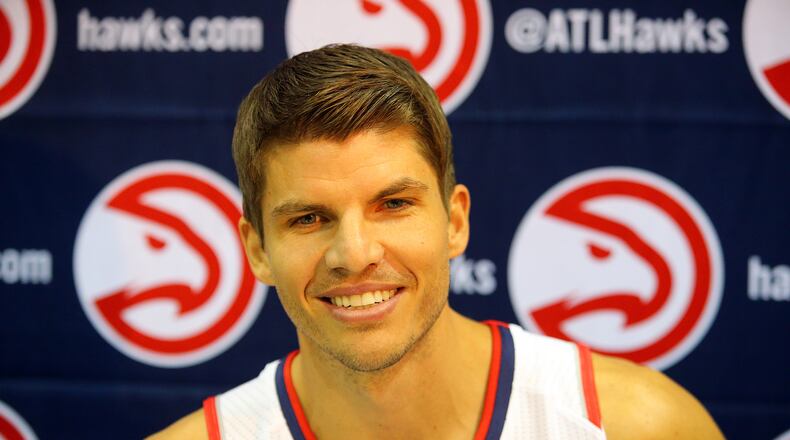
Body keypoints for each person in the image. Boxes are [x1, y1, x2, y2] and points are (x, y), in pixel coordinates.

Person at [150, 44, 723, 440]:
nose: (354, 254)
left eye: (393, 205)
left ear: (455, 221)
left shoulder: (635, 425)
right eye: (307, 218)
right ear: (256, 249)